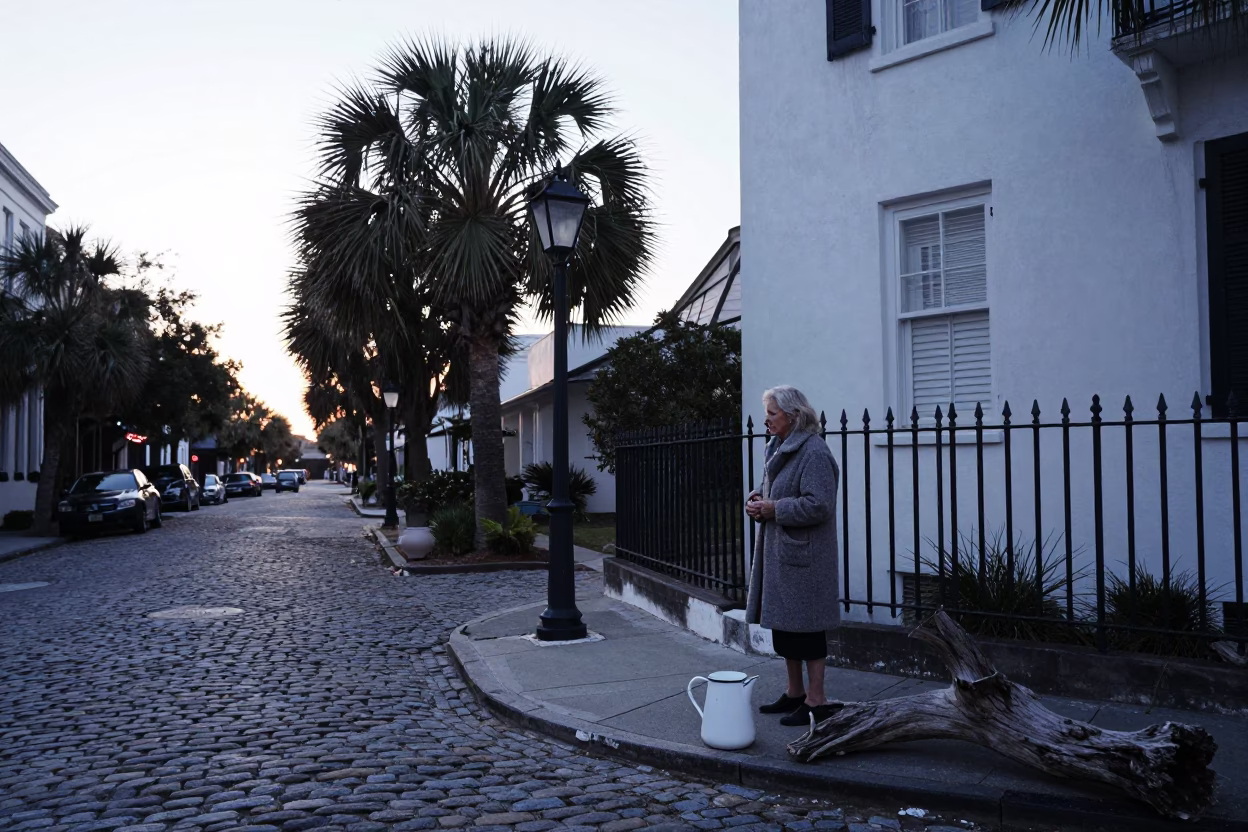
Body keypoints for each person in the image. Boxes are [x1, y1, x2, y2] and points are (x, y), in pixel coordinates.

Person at [744, 385, 841, 727]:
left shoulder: (814, 452)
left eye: (772, 413)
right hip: (781, 552)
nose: (766, 419)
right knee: (785, 628)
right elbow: (778, 490)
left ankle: (817, 700)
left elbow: (820, 505)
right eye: (767, 412)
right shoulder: (778, 446)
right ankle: (795, 692)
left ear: (793, 416)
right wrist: (759, 498)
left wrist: (773, 508)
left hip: (806, 558)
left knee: (808, 630)